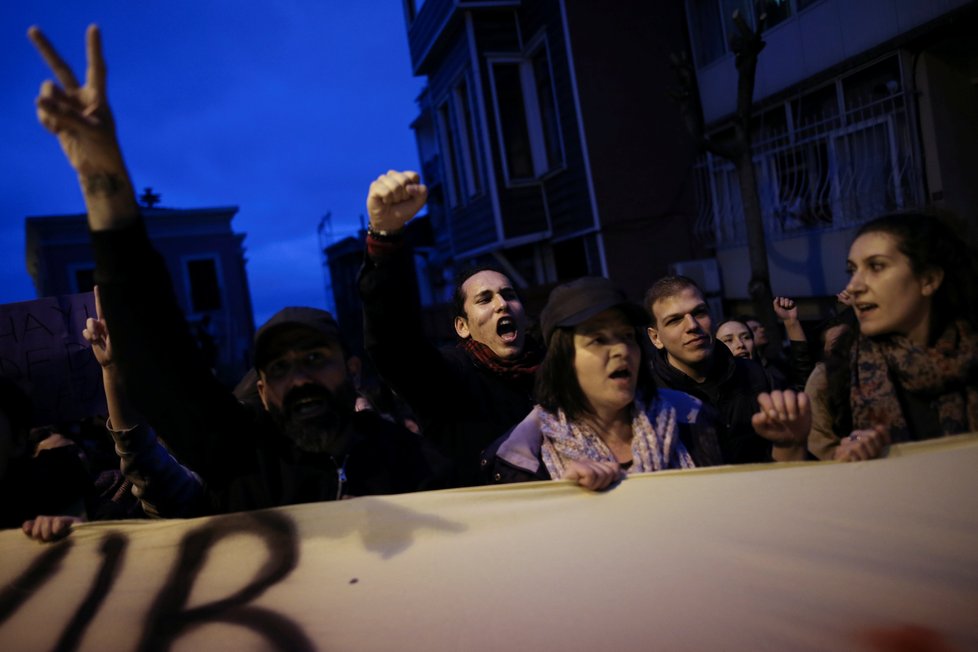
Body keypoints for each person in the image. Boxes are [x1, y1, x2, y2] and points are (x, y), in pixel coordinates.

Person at [28, 25, 447, 511]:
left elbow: (400, 347)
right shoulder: (243, 459)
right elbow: (160, 361)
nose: (301, 379)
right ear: (263, 391)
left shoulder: (412, 458)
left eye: (315, 359)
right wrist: (101, 171)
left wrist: (387, 237)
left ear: (352, 369)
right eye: (281, 368)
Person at [359, 170, 542, 487]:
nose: (501, 304)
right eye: (485, 299)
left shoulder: (555, 366)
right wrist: (386, 241)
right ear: (462, 326)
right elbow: (395, 343)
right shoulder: (448, 379)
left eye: (508, 295)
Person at [486, 277, 723, 490]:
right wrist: (564, 496)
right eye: (598, 340)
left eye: (627, 336)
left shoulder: (692, 419)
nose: (621, 350)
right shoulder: (523, 456)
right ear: (564, 360)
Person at [807, 212, 978, 461]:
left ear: (928, 279)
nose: (854, 285)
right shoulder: (830, 379)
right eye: (852, 270)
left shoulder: (971, 359)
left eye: (876, 267)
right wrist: (843, 466)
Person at [644, 276, 809, 463]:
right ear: (655, 337)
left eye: (699, 313)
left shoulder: (757, 377)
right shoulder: (647, 397)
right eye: (674, 320)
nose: (692, 325)